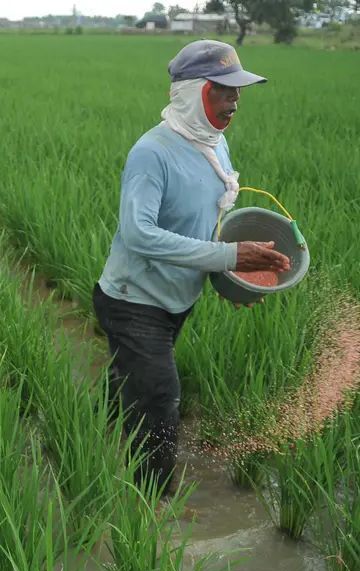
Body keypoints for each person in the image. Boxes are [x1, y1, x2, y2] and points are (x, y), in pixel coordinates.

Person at [93, 40, 290, 493]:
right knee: (161, 397)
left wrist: (232, 278)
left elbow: (209, 226)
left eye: (238, 91)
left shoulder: (214, 147)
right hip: (132, 301)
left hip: (175, 299)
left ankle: (93, 430)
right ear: (193, 92)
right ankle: (152, 504)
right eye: (224, 90)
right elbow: (138, 233)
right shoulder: (153, 153)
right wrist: (229, 256)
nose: (235, 100)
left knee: (132, 380)